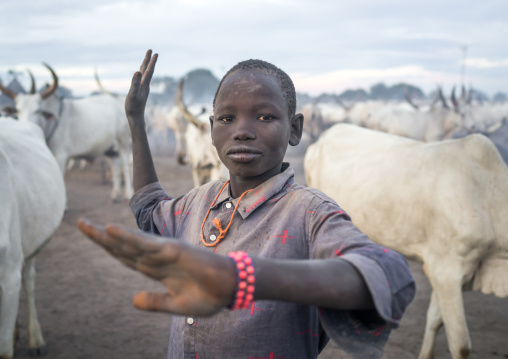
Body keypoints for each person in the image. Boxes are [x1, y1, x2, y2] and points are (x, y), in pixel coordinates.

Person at [78, 49, 415, 359]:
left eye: (265, 117)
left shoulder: (309, 212)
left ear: (295, 129)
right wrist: (136, 120)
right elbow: (151, 210)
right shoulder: (200, 201)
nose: (242, 131)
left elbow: (388, 275)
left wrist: (243, 279)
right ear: (211, 130)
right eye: (227, 118)